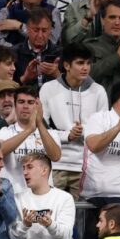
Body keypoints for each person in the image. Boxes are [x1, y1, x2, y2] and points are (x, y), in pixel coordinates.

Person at [40, 43, 108, 199]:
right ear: (66, 65)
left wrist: (83, 132)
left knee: (80, 219)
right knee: (54, 216)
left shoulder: (99, 91)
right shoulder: (48, 89)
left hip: (85, 166)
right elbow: (42, 127)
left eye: (88, 63)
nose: (85, 68)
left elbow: (104, 131)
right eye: (80, 63)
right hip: (55, 164)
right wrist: (67, 136)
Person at [0, 85, 61, 194]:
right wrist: (29, 130)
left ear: (37, 106)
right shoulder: (4, 132)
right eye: (21, 102)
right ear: (15, 105)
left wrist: (39, 123)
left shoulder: (51, 133)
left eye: (30, 102)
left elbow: (56, 156)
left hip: (42, 196)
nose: (25, 106)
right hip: (13, 196)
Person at [13, 8, 61, 88]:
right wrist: (24, 78)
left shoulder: (60, 53)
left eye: (44, 30)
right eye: (35, 30)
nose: (40, 35)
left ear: (50, 30)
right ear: (27, 29)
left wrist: (57, 75)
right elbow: (7, 88)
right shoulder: (14, 53)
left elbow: (72, 87)